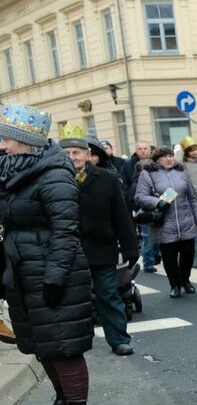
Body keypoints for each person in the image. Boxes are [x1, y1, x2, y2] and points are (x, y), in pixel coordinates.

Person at [0, 104, 95, 405]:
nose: (3, 145)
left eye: (7, 139)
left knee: (63, 346)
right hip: (22, 271)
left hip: (54, 272)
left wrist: (55, 278)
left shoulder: (55, 174)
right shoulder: (10, 171)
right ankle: (62, 400)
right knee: (41, 345)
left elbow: (65, 231)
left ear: (25, 142)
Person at [59, 126, 137, 356]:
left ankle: (119, 339)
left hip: (101, 247)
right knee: (74, 299)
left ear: (86, 154)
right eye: (67, 153)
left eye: (77, 152)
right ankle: (77, 342)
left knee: (108, 294)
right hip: (68, 250)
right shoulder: (55, 178)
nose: (72, 157)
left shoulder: (107, 179)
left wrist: (131, 248)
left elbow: (121, 216)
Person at [136, 146, 197, 299]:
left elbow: (192, 198)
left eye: (171, 156)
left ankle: (185, 280)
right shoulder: (148, 174)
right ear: (157, 160)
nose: (169, 159)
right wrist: (157, 202)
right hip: (164, 223)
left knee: (188, 254)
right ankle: (175, 285)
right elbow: (140, 196)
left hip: (186, 220)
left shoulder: (181, 172)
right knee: (169, 257)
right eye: (165, 156)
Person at [128, 141, 160, 272]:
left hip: (156, 210)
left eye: (145, 148)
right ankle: (148, 262)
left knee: (154, 237)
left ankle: (154, 258)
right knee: (148, 238)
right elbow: (134, 196)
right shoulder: (138, 181)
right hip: (146, 212)